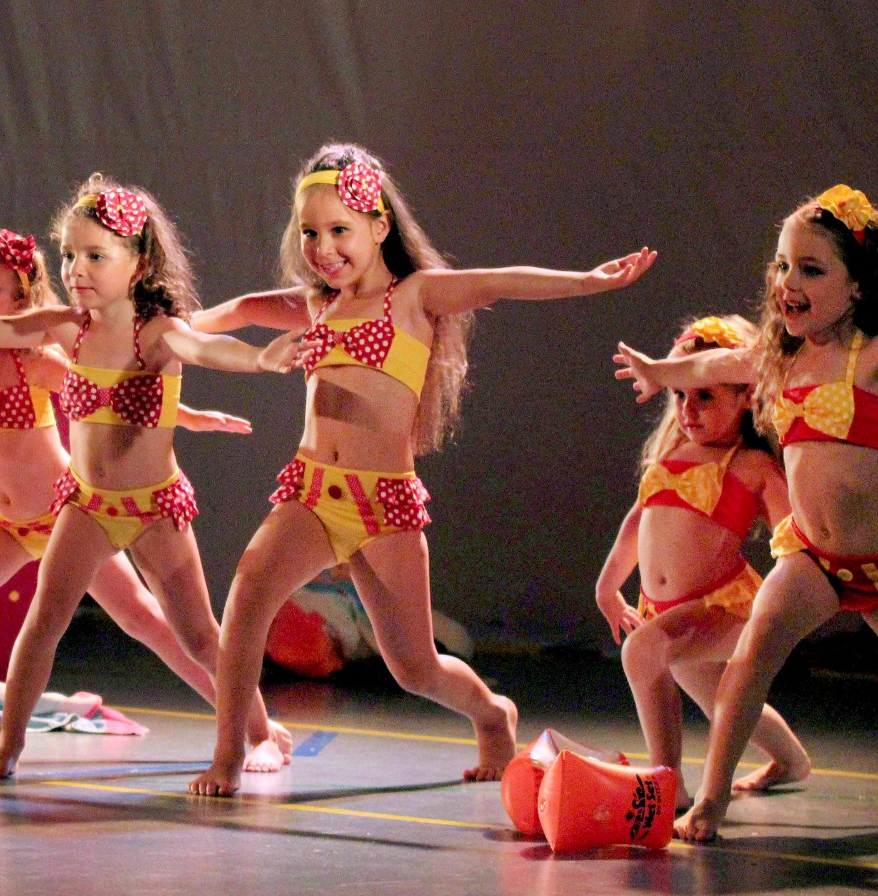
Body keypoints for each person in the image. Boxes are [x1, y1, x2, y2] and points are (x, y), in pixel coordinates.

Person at [185, 142, 656, 796]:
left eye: (340, 231)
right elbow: (235, 312)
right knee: (246, 598)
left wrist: (586, 281)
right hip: (314, 492)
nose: (324, 248)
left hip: (384, 507)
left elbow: (499, 280)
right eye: (311, 233)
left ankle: (493, 714)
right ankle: (230, 755)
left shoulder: (416, 295)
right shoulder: (318, 302)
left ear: (379, 228)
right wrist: (164, 334)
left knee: (414, 668)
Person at [0, 175, 298, 779]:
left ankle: (256, 728)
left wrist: (206, 400)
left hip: (65, 510)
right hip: (6, 520)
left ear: (19, 296)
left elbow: (133, 385)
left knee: (153, 624)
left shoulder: (38, 358)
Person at [614, 184, 876, 840]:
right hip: (815, 558)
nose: (789, 281)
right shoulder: (776, 358)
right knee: (752, 656)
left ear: (859, 288)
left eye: (812, 269)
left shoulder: (868, 358)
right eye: (783, 265)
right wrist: (657, 369)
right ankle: (709, 800)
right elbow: (714, 360)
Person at [595, 315, 808, 809]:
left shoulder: (749, 463)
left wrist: (792, 602)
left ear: (746, 398)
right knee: (719, 700)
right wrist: (608, 588)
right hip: (667, 608)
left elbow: (791, 535)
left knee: (642, 652)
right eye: (681, 396)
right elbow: (636, 522)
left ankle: (668, 783)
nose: (689, 409)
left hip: (722, 605)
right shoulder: (671, 454)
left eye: (705, 396)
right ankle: (791, 760)